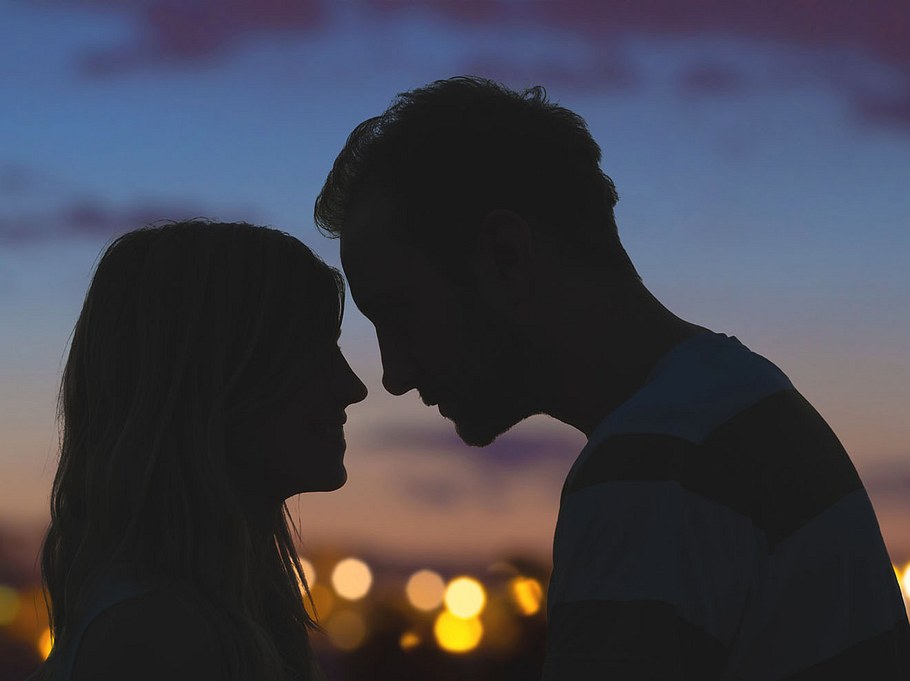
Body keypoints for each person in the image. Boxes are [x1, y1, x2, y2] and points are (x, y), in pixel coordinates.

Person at [314, 76, 910, 679]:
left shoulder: (657, 471)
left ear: (505, 255)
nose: (394, 375)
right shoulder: (742, 405)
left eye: (400, 315)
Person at [29, 220, 367, 681]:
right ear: (211, 378)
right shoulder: (158, 638)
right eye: (313, 352)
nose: (352, 386)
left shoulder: (197, 618)